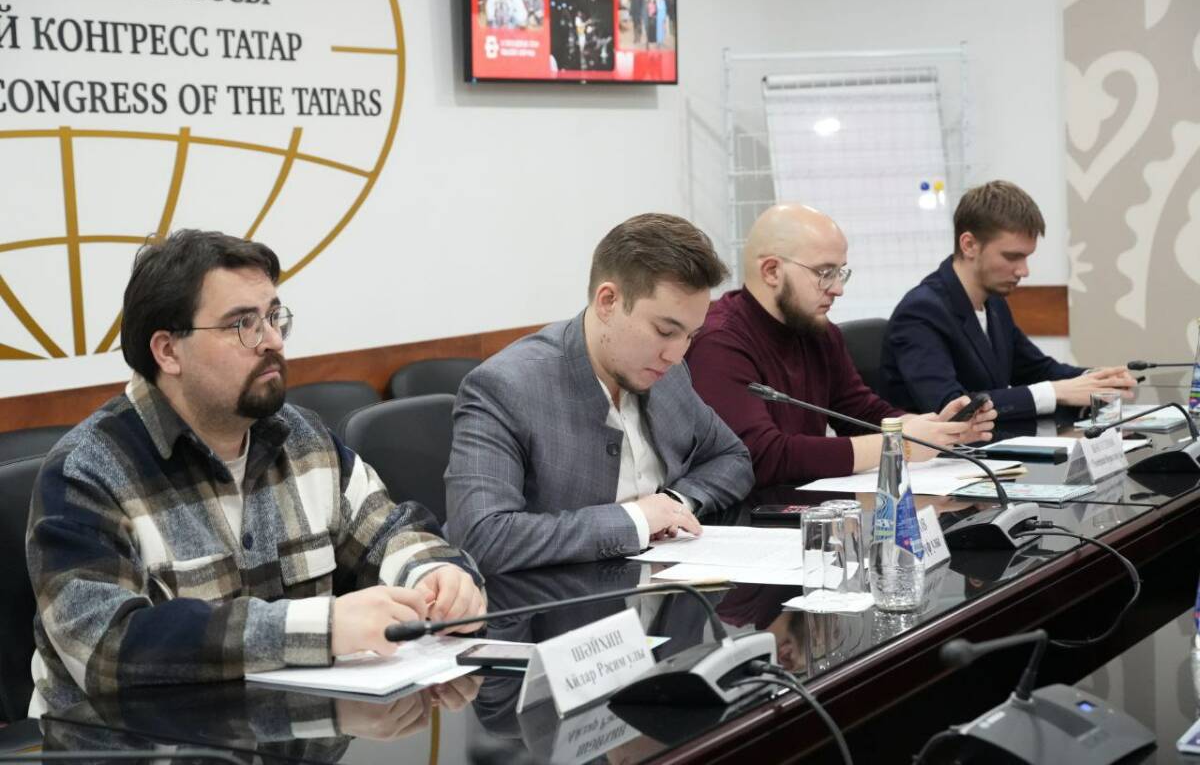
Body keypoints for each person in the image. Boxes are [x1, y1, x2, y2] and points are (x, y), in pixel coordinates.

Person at [26, 231, 485, 712]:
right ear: (168, 351)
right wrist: (319, 629)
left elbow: (388, 532)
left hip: (284, 728)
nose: (274, 341)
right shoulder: (87, 473)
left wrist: (436, 575)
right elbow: (107, 648)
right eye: (242, 324)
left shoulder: (303, 438)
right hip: (129, 739)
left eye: (273, 317)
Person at [445, 213, 754, 574]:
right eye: (665, 331)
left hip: (662, 587)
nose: (676, 354)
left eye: (690, 335)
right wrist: (635, 520)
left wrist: (673, 504)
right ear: (608, 301)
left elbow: (732, 458)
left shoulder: (667, 374)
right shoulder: (505, 387)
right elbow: (482, 537)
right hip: (556, 600)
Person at [686, 204, 996, 487]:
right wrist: (899, 443)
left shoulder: (818, 331)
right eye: (825, 273)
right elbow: (762, 456)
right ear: (772, 271)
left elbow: (861, 413)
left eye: (840, 272)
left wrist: (936, 428)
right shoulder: (719, 342)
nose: (838, 289)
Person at [880, 180, 1135, 420]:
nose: (1024, 271)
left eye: (1027, 257)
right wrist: (1055, 392)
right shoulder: (920, 312)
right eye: (1012, 257)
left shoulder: (994, 303)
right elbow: (952, 407)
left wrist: (1097, 379)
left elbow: (1037, 370)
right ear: (969, 245)